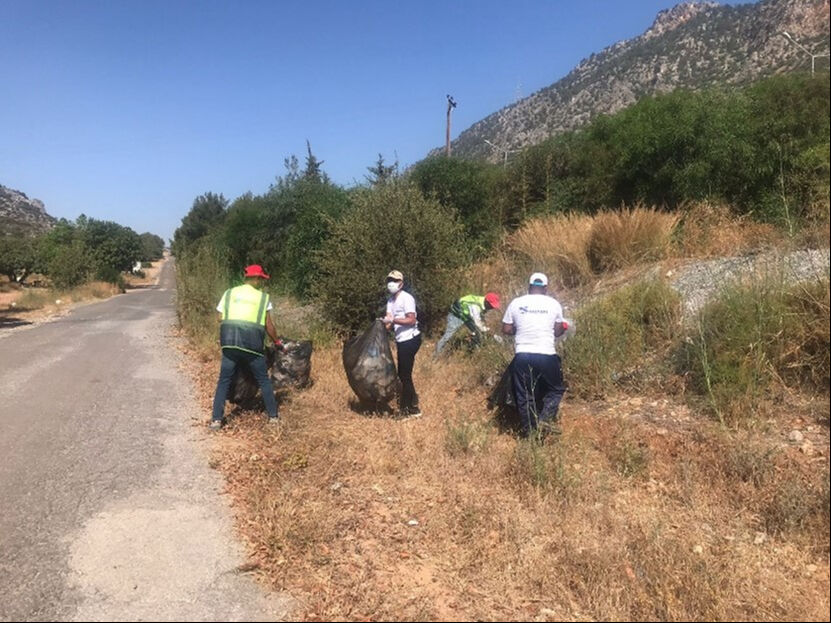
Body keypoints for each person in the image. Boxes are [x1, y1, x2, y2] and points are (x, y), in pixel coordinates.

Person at [210, 264, 282, 430]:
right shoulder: (263, 298)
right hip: (252, 345)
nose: (261, 282)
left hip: (229, 342)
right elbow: (268, 325)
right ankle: (273, 417)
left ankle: (216, 420)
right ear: (256, 278)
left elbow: (219, 317)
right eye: (261, 279)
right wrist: (277, 342)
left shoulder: (229, 293)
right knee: (263, 379)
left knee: (224, 380)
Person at [501, 272, 568, 438]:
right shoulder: (553, 304)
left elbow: (506, 329)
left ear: (529, 286)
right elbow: (557, 332)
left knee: (525, 396)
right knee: (556, 389)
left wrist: (520, 329)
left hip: (523, 355)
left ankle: (531, 434)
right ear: (545, 288)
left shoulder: (516, 303)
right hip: (547, 354)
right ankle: (545, 419)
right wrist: (562, 328)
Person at [382, 270, 422, 418]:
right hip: (400, 340)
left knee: (404, 375)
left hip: (410, 339)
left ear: (401, 283)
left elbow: (411, 320)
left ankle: (410, 409)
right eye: (389, 280)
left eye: (394, 280)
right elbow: (389, 323)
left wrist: (393, 320)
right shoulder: (390, 301)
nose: (391, 283)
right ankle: (412, 401)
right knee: (404, 374)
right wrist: (382, 324)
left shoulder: (407, 298)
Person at [435, 292, 502, 357]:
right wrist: (490, 332)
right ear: (487, 302)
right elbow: (478, 323)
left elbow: (480, 320)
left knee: (478, 333)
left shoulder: (483, 304)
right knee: (448, 335)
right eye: (491, 306)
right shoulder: (476, 306)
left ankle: (475, 353)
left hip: (467, 315)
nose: (492, 308)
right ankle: (437, 354)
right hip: (456, 315)